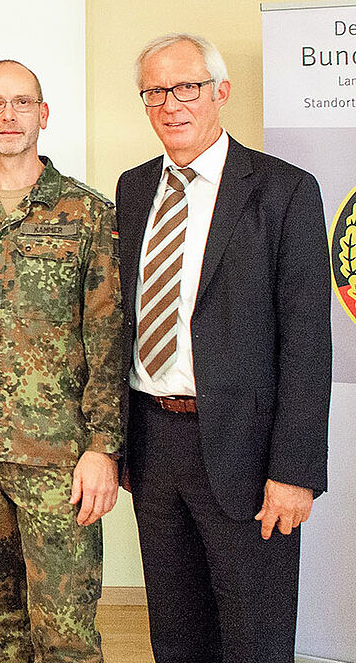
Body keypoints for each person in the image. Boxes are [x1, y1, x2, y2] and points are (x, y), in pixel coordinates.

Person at [118, 33, 331, 662]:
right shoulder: (132, 189)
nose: (172, 105)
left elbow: (307, 344)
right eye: (155, 92)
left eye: (188, 87)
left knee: (253, 637)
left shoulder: (284, 190)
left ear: (221, 93)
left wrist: (294, 471)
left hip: (248, 449)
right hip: (154, 444)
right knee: (177, 635)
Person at [0, 59, 123, 662]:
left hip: (58, 459)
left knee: (66, 632)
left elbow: (109, 337)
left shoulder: (88, 216)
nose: (7, 115)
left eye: (21, 102)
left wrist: (103, 447)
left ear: (44, 114)